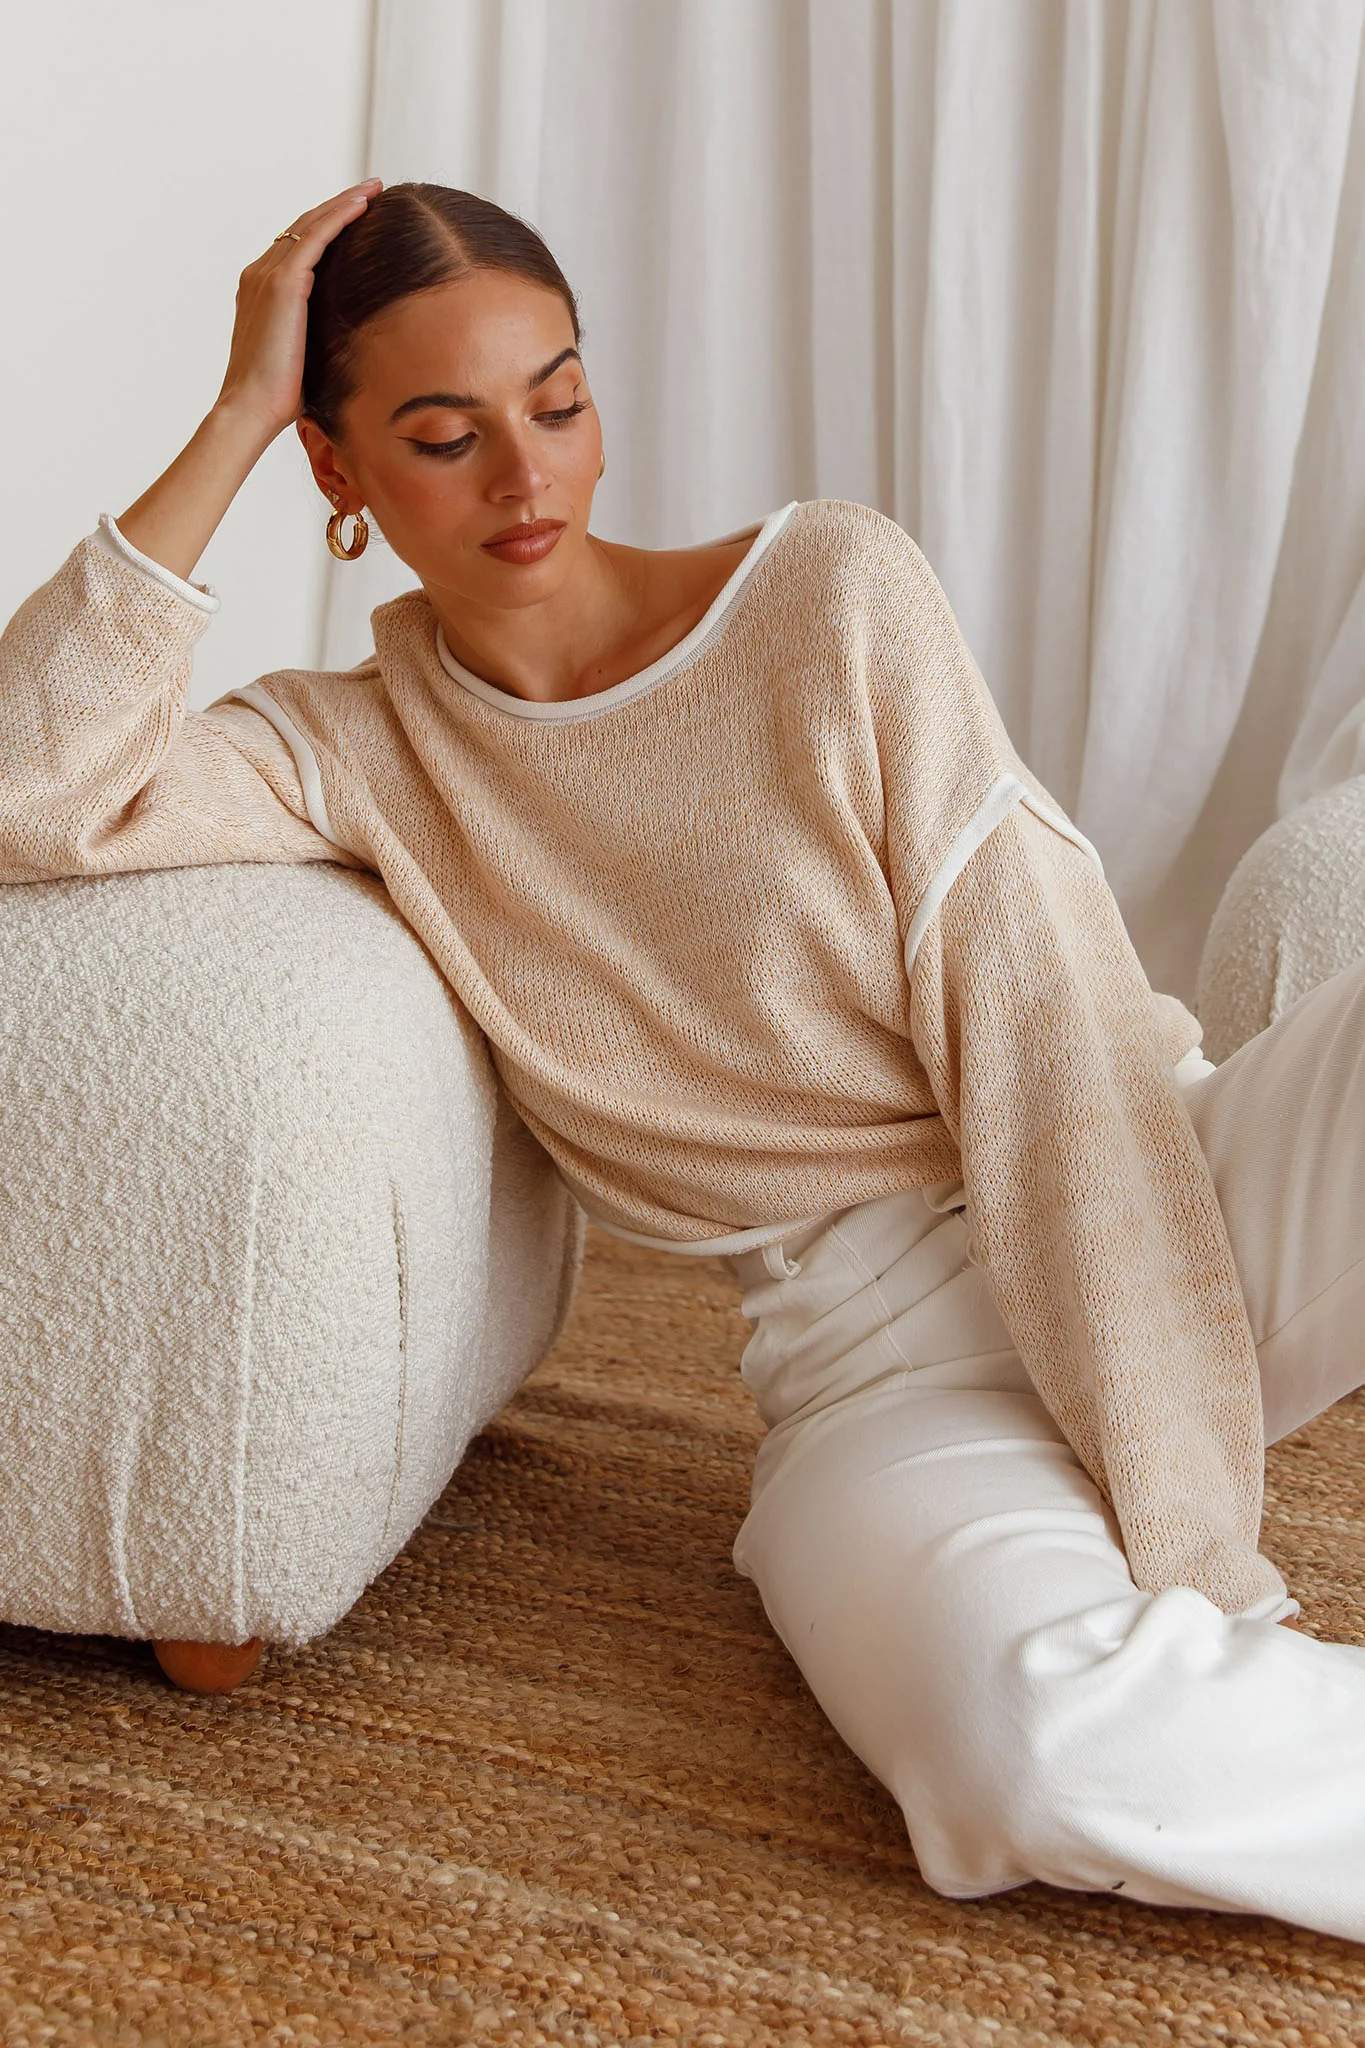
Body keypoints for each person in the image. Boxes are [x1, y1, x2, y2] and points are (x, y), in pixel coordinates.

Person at [4, 178, 1365, 1940]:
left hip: (1171, 1184)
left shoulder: (830, 595)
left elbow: (1049, 1048)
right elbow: (34, 790)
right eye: (444, 438)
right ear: (338, 471)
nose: (528, 477)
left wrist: (1194, 1548)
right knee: (1036, 1756)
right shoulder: (348, 751)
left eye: (559, 402)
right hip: (877, 1373)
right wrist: (238, 412)